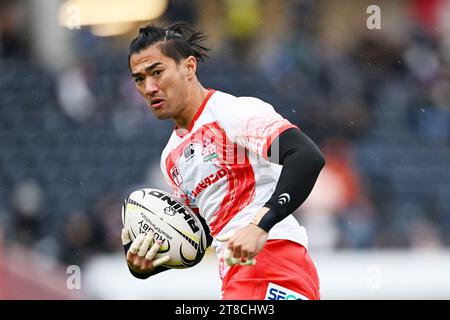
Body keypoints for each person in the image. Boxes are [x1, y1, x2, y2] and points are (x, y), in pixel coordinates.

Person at [121, 22, 325, 300]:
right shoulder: (170, 157)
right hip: (238, 273)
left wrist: (259, 225)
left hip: (271, 260)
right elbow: (197, 236)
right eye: (139, 79)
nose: (150, 87)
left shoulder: (232, 113)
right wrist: (146, 265)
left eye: (157, 72)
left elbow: (306, 157)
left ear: (189, 67)